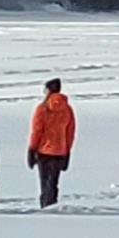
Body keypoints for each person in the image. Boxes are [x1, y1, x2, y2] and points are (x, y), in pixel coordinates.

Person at [27, 78, 76, 209]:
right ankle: (52, 204)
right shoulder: (67, 109)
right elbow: (70, 132)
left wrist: (31, 149)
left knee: (44, 182)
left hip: (44, 150)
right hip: (60, 150)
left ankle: (46, 206)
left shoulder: (42, 108)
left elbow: (37, 131)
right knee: (53, 182)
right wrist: (67, 151)